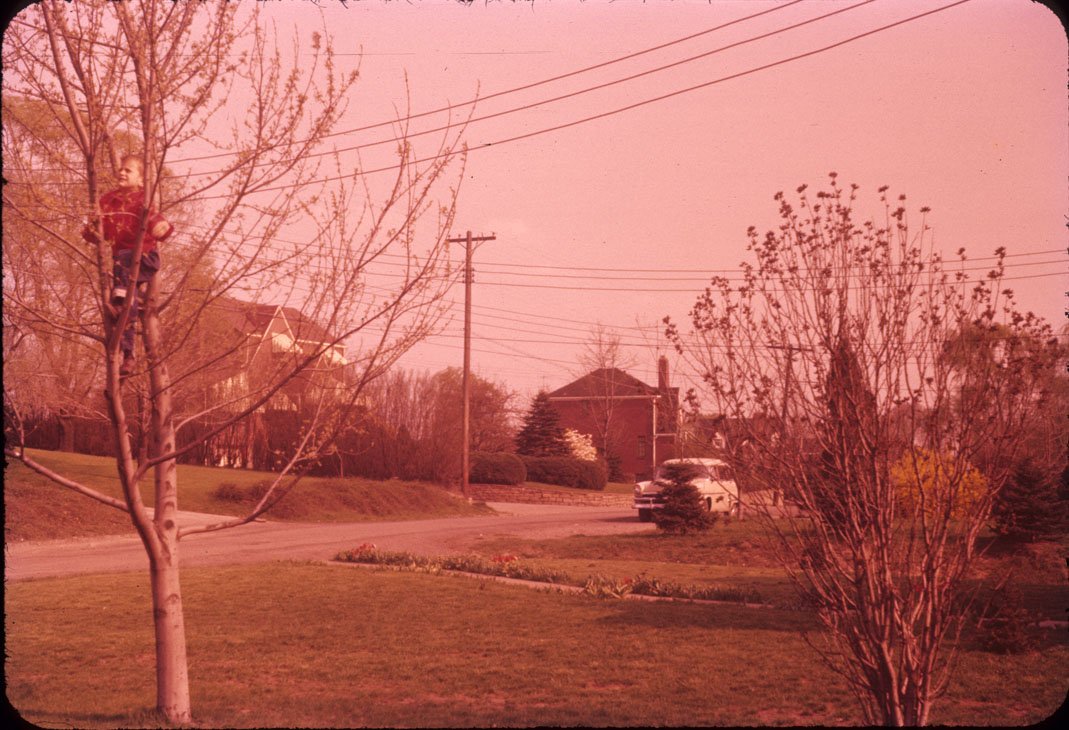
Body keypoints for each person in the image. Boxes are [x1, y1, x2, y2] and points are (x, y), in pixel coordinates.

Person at [82, 155, 173, 376]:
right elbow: (97, 233)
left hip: (145, 258)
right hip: (121, 266)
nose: (122, 173)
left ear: (141, 180)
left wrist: (163, 227)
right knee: (126, 306)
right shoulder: (108, 201)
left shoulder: (142, 199)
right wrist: (92, 228)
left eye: (128, 171)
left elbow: (154, 220)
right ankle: (128, 353)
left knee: (122, 275)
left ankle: (121, 297)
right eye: (121, 169)